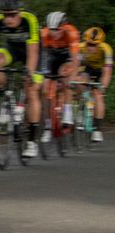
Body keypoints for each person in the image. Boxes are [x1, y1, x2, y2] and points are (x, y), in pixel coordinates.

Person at [0, 0, 43, 157]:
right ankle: (6, 99)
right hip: (12, 51)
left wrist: (30, 73)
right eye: (5, 15)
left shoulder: (29, 20)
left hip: (33, 54)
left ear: (20, 13)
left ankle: (32, 142)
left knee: (31, 89)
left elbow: (33, 52)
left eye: (13, 15)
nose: (8, 19)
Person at [38, 11, 80, 143]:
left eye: (57, 30)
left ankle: (67, 113)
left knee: (67, 77)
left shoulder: (71, 32)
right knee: (44, 90)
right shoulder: (44, 34)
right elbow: (42, 56)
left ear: (64, 27)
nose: (54, 33)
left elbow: (75, 59)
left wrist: (72, 77)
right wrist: (43, 74)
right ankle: (47, 125)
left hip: (66, 57)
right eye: (51, 30)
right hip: (51, 57)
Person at [77, 26, 110, 142]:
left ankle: (97, 129)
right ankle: (82, 108)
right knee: (81, 81)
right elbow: (76, 67)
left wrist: (103, 86)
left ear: (100, 43)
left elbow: (107, 72)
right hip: (86, 68)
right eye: (89, 44)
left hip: (100, 70)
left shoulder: (106, 49)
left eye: (94, 45)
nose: (91, 47)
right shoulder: (80, 47)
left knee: (98, 96)